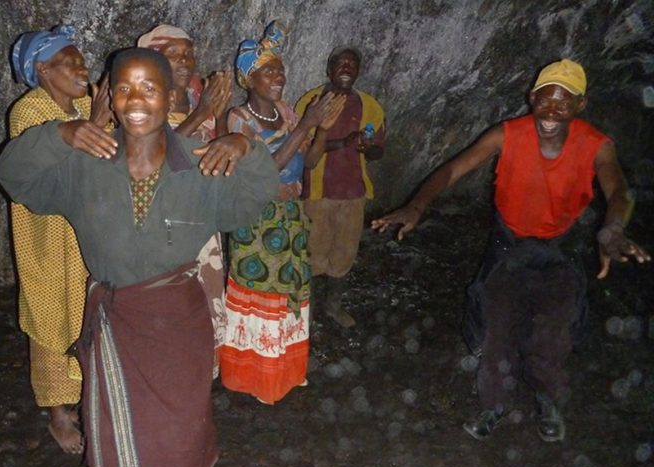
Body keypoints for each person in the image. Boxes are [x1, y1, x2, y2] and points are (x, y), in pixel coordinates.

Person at [0, 47, 279, 467]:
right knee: (116, 433)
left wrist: (245, 147)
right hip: (116, 324)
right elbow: (13, 176)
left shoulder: (200, 164)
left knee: (177, 434)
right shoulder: (86, 163)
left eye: (150, 87)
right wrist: (60, 133)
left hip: (177, 325)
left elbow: (252, 202)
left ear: (171, 96)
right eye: (124, 87)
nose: (135, 100)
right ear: (109, 93)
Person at [372, 59, 650, 442]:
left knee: (551, 332)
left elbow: (618, 189)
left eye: (563, 102)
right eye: (545, 100)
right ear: (531, 97)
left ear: (580, 105)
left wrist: (613, 229)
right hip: (510, 245)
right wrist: (417, 205)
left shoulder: (595, 145)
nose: (552, 111)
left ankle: (547, 401)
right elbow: (453, 170)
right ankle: (494, 404)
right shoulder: (506, 135)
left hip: (560, 248)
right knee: (497, 325)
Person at [218, 21, 345, 405]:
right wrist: (307, 123)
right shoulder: (238, 119)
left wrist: (321, 128)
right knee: (259, 292)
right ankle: (253, 376)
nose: (279, 77)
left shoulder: (287, 112)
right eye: (269, 71)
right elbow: (265, 169)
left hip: (290, 214)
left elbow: (306, 159)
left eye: (281, 70)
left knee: (289, 287)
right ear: (249, 78)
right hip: (257, 218)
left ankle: (285, 369)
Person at [8, 24, 113, 454]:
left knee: (87, 312)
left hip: (86, 228)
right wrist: (94, 123)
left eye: (79, 58)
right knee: (51, 313)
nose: (80, 66)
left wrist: (102, 119)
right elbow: (47, 174)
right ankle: (57, 414)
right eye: (67, 62)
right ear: (42, 70)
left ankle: (87, 400)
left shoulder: (86, 105)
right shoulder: (29, 111)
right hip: (49, 233)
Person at [137, 24, 234, 378]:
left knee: (203, 307)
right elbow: (150, 162)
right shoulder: (139, 102)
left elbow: (221, 156)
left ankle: (194, 382)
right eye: (173, 54)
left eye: (188, 54)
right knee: (165, 310)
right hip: (161, 229)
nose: (185, 61)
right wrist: (200, 113)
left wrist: (218, 111)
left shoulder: (198, 101)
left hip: (200, 224)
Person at [295, 46, 386, 328]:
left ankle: (333, 306)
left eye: (352, 64)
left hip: (354, 192)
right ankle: (304, 311)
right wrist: (344, 142)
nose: (346, 68)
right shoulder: (311, 101)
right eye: (341, 63)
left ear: (358, 71)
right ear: (329, 69)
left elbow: (378, 151)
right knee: (312, 252)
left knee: (344, 252)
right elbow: (301, 148)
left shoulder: (370, 106)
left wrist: (368, 147)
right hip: (318, 192)